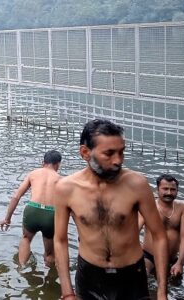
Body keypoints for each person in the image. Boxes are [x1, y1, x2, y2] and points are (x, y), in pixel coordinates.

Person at [53, 119, 169, 300]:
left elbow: (160, 236)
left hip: (131, 275)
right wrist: (67, 292)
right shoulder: (66, 188)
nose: (118, 161)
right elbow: (60, 240)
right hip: (89, 276)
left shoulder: (136, 184)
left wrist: (162, 292)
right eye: (109, 153)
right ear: (85, 152)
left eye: (121, 152)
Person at [0, 150, 62, 267]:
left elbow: (16, 196)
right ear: (58, 165)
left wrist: (7, 219)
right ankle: (49, 279)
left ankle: (22, 268)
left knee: (26, 239)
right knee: (50, 253)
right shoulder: (60, 179)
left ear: (43, 162)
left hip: (32, 210)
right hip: (51, 214)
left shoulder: (33, 174)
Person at [139, 174, 184, 280]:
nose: (169, 193)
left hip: (172, 258)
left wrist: (180, 263)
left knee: (176, 282)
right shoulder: (149, 206)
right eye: (165, 189)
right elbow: (134, 231)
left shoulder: (182, 208)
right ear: (158, 189)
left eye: (173, 189)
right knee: (141, 277)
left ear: (177, 191)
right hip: (149, 256)